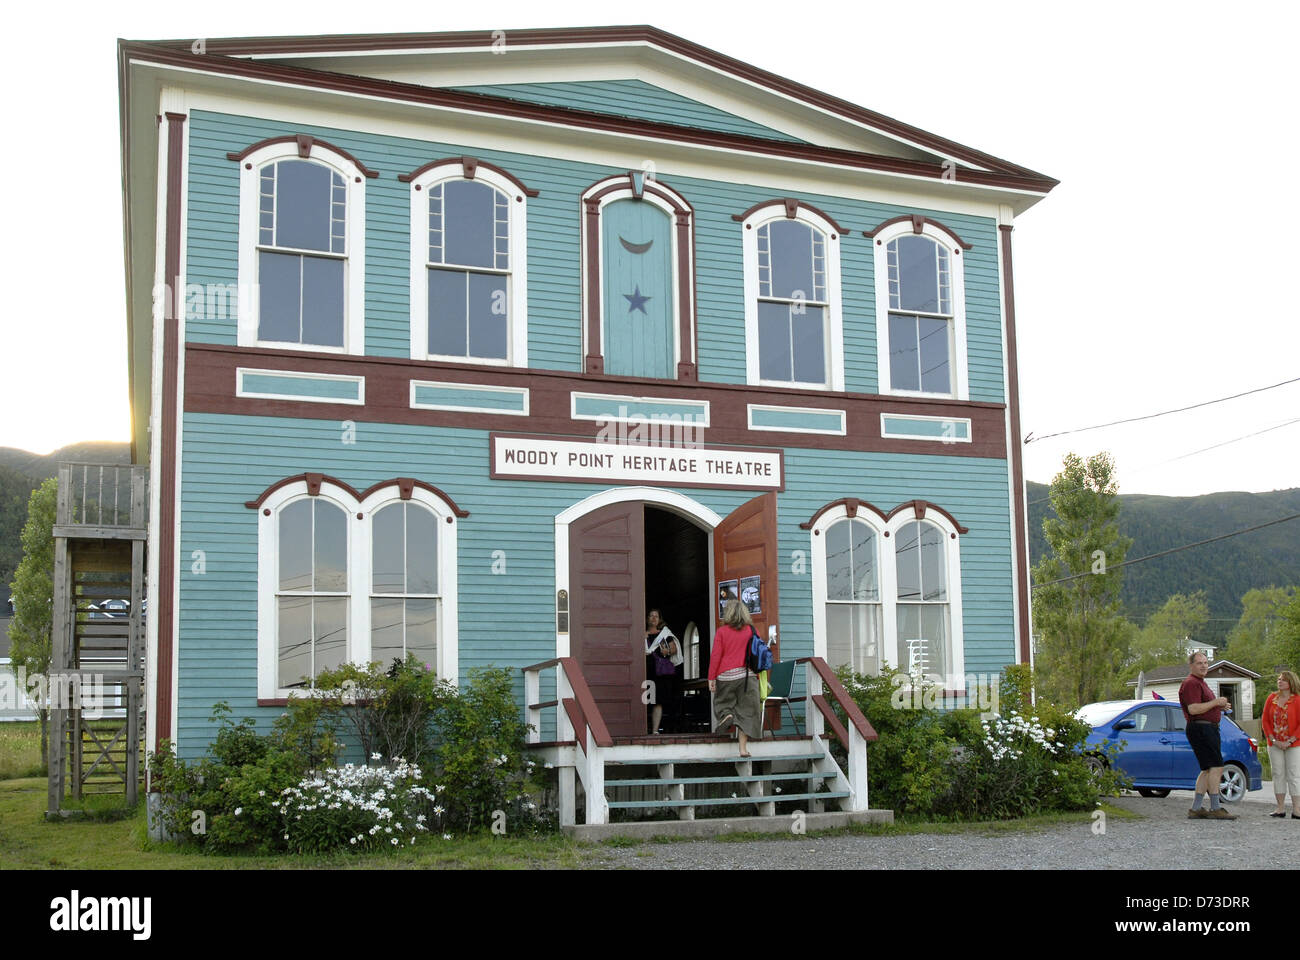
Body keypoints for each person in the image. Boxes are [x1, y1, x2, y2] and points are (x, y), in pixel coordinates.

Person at [1178, 651, 1236, 820]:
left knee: (1207, 769)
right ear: (1191, 666)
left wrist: (1218, 707)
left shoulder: (1200, 683)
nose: (1204, 666)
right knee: (1217, 766)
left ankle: (1196, 808)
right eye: (1199, 663)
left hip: (1204, 728)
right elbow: (1193, 709)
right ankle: (1216, 807)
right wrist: (1216, 702)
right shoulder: (1191, 683)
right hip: (1202, 729)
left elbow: (1203, 706)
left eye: (1205, 662)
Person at [708, 598, 762, 757]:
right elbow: (758, 653)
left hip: (726, 676)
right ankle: (743, 749)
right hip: (747, 676)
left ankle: (726, 715)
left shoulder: (722, 631)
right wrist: (758, 676)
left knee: (722, 703)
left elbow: (716, 656)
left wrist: (711, 677)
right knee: (747, 712)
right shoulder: (752, 630)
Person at [1261, 669, 1300, 818]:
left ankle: (1297, 809)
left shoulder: (1297, 700)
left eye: (1283, 679)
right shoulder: (1271, 698)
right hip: (1275, 743)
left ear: (1290, 682)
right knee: (1278, 773)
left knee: (1294, 775)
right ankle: (1280, 807)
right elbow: (1265, 720)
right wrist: (1273, 739)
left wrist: (1290, 740)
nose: (1279, 681)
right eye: (1278, 679)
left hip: (1294, 743)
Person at [644, 609, 683, 734]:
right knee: (645, 700)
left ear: (660, 619)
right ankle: (642, 729)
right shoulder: (641, 634)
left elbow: (673, 649)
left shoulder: (665, 634)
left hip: (659, 673)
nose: (653, 618)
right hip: (644, 672)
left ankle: (655, 730)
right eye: (651, 616)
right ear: (647, 619)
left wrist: (668, 651)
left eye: (656, 616)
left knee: (657, 701)